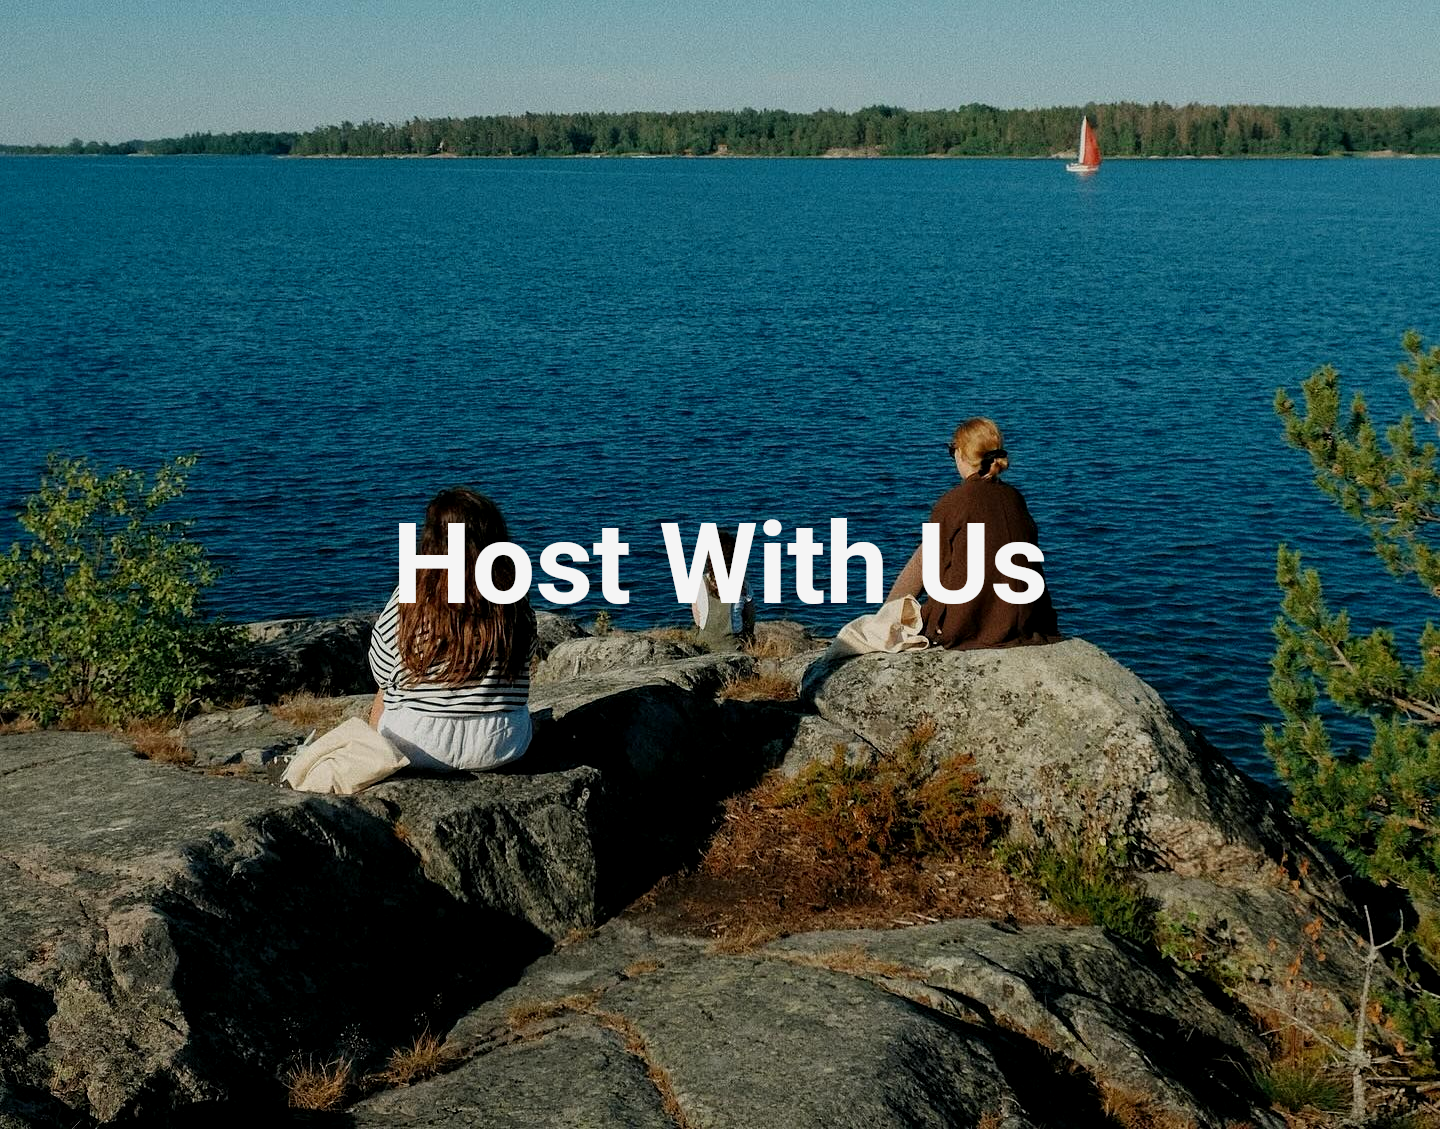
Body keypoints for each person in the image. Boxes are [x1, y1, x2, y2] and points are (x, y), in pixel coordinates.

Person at [367, 487, 535, 771]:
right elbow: (524, 660)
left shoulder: (412, 593)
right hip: (502, 744)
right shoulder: (513, 597)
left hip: (416, 744)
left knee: (385, 690)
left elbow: (381, 668)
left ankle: (371, 757)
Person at [886, 417, 1060, 650]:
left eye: (952, 450)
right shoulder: (1015, 498)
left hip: (966, 625)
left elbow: (932, 568)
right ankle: (888, 612)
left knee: (930, 549)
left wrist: (901, 616)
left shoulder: (954, 502)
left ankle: (886, 614)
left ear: (960, 454)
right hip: (1023, 622)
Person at [690, 526, 756, 652]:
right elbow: (750, 619)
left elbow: (698, 619)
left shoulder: (699, 582)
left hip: (704, 644)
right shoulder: (743, 586)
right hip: (733, 646)